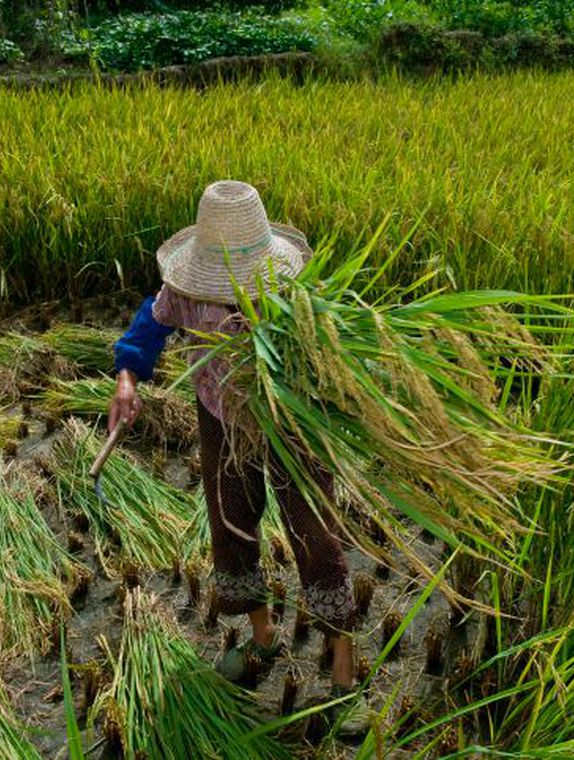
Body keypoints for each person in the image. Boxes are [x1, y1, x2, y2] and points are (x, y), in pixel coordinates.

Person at [107, 180, 370, 734]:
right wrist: (127, 379)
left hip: (291, 423)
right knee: (232, 526)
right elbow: (148, 326)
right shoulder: (185, 293)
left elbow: (335, 352)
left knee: (315, 537)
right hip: (221, 419)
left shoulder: (293, 294)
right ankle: (262, 639)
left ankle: (345, 675)